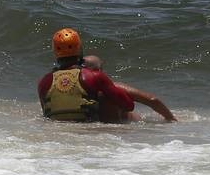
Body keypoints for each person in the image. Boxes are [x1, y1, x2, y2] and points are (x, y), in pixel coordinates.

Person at [37, 28, 176, 123]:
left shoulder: (44, 82)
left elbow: (47, 114)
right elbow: (128, 105)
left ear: (55, 52)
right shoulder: (94, 76)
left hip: (60, 133)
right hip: (91, 128)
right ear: (79, 48)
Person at [83, 55, 176, 122]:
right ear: (100, 72)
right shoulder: (115, 88)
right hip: (127, 129)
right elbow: (152, 100)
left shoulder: (76, 92)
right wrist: (171, 118)